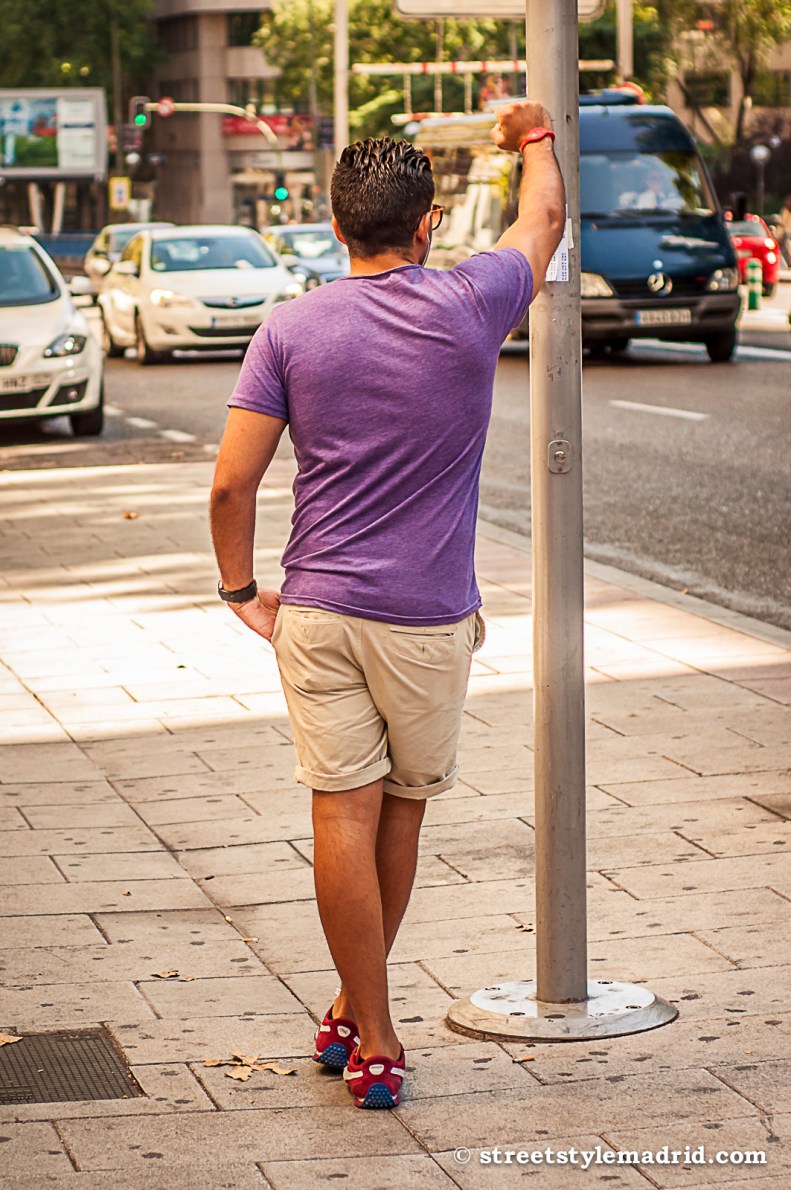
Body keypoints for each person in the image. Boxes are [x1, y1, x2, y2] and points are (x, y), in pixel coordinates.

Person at [209, 100, 565, 1110]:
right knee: (398, 814)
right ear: (426, 224)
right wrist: (534, 139)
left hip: (317, 610)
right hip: (425, 618)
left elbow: (231, 485)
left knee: (339, 811)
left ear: (335, 225)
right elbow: (542, 218)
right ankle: (372, 1033)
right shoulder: (470, 300)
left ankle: (357, 1018)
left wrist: (239, 589)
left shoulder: (289, 327)